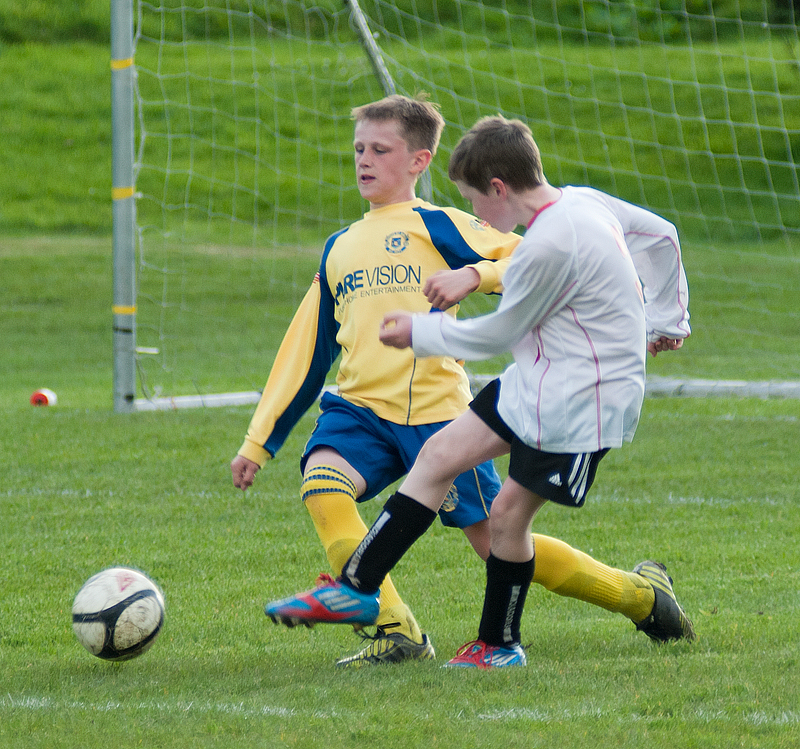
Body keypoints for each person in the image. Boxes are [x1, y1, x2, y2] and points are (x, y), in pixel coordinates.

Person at [264, 115, 695, 669]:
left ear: (498, 187)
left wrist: (417, 330)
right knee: (438, 457)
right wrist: (669, 320)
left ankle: (499, 644)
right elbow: (663, 235)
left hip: (585, 400)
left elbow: (495, 333)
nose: (479, 217)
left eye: (475, 200)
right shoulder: (583, 201)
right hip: (538, 378)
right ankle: (357, 588)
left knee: (508, 518)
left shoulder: (549, 244)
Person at [231, 97, 521, 666]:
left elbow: (535, 265)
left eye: (380, 150)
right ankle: (396, 631)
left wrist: (476, 273)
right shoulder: (341, 246)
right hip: (360, 410)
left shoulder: (438, 224)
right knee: (322, 484)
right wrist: (258, 441)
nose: (364, 160)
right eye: (359, 149)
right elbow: (306, 350)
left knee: (500, 545)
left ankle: (635, 595)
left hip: (437, 415)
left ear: (420, 160)